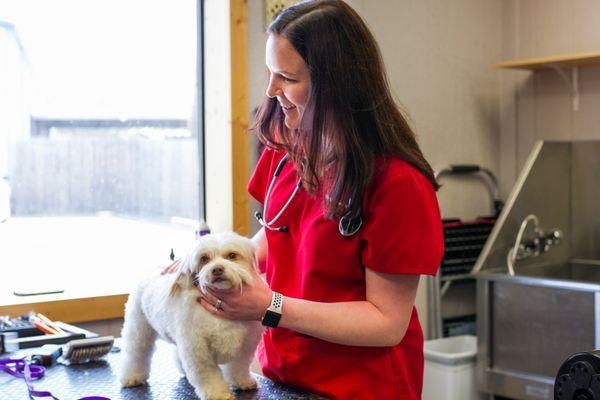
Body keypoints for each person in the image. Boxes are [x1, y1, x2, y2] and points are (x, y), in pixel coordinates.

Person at [168, 1, 444, 398]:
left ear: (338, 85)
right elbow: (275, 237)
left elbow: (386, 322)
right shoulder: (286, 151)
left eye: (287, 77)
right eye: (270, 73)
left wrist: (271, 306)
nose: (271, 90)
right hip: (282, 376)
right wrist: (211, 261)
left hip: (359, 387)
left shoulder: (398, 184)